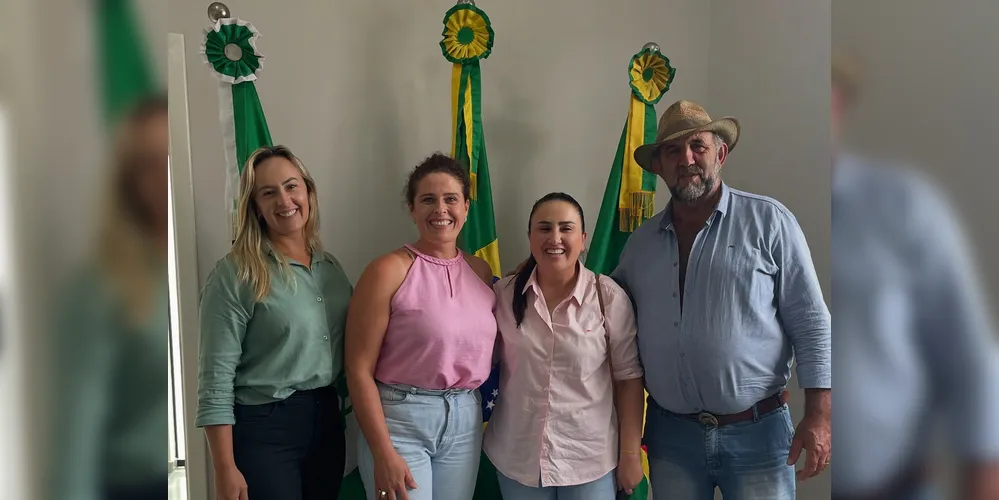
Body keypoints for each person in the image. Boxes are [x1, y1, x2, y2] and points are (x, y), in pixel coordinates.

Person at [613, 100, 832, 499]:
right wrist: (546, 269)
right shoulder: (639, 244)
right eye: (673, 151)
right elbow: (606, 310)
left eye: (698, 145)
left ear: (721, 153)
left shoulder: (770, 221)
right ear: (659, 166)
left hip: (759, 436)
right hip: (670, 438)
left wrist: (819, 414)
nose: (687, 159)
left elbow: (812, 320)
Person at [830, 50, 999, 500]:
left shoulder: (906, 206)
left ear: (840, 104)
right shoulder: (774, 218)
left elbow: (971, 358)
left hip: (899, 487)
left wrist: (983, 479)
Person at [196, 145, 353, 500]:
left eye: (291, 186)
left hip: (327, 420)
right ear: (255, 206)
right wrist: (224, 467)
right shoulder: (236, 272)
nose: (284, 200)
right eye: (268, 193)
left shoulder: (331, 268)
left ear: (308, 192)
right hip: (265, 429)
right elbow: (215, 378)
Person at [346, 152, 497, 500]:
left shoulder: (481, 272)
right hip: (400, 420)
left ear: (466, 207)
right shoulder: (387, 270)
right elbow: (357, 369)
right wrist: (382, 452)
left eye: (450, 199)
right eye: (428, 199)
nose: (440, 209)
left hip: (464, 418)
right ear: (412, 209)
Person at [484, 192, 646, 499]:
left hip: (589, 459)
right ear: (530, 237)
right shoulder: (504, 295)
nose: (554, 237)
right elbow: (475, 355)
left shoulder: (607, 297)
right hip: (517, 457)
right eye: (544, 228)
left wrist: (630, 455)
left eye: (566, 228)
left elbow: (629, 380)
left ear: (583, 239)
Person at [51, 93, 170, 500]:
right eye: (149, 164)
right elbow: (79, 423)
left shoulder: (204, 269)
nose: (163, 175)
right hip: (136, 486)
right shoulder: (101, 286)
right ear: (129, 179)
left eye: (171, 157)